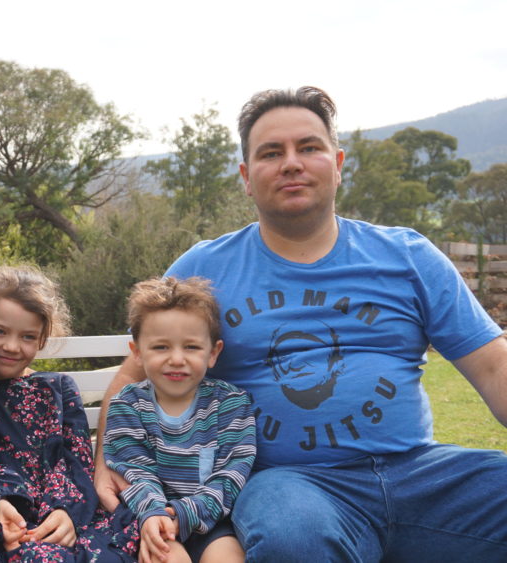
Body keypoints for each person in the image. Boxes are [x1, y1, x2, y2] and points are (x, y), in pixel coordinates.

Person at [95, 87, 507, 561]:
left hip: (422, 475)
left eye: (309, 147)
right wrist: (105, 457)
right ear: (247, 178)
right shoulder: (203, 268)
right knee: (294, 536)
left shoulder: (408, 257)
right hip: (293, 484)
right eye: (272, 153)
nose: (292, 163)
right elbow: (133, 374)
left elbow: (495, 367)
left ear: (338, 163)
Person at [0, 266, 139, 563]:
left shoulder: (57, 389)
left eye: (27, 336)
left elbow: (78, 460)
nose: (11, 346)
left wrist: (66, 511)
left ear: (43, 339)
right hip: (7, 514)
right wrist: (3, 500)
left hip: (70, 510)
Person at [103, 276, 254, 563]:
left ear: (213, 353)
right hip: (147, 519)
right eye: (161, 347)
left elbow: (232, 474)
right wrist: (157, 515)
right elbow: (134, 471)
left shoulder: (231, 404)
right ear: (137, 353)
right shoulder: (127, 405)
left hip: (210, 520)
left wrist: (185, 513)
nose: (176, 358)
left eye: (191, 347)